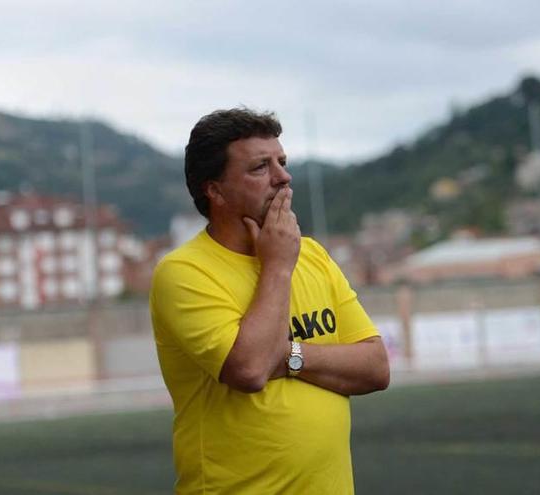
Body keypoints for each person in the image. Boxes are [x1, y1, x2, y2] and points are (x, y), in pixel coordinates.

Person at [150, 107, 390, 494]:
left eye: (282, 162)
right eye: (260, 167)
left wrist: (291, 354)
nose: (283, 177)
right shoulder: (184, 272)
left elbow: (376, 368)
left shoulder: (311, 255)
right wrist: (277, 267)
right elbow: (249, 370)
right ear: (215, 190)